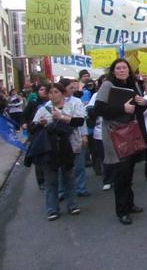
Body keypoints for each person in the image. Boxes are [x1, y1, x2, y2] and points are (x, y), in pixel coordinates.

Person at [94, 58, 147, 225]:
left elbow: (139, 108)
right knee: (121, 173)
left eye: (124, 67)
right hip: (116, 134)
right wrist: (122, 108)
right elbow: (99, 109)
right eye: (118, 68)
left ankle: (129, 204)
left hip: (132, 132)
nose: (122, 70)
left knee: (129, 170)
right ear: (113, 70)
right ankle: (122, 211)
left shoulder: (134, 84)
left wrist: (143, 102)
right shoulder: (107, 85)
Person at [30, 82, 85, 221]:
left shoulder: (72, 105)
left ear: (62, 93)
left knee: (69, 176)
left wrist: (62, 117)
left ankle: (72, 204)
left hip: (68, 146)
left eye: (56, 92)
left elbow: (79, 121)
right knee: (51, 180)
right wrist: (40, 124)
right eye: (50, 93)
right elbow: (32, 128)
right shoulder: (44, 109)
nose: (53, 95)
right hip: (49, 148)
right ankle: (52, 209)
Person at [87, 75, 116, 191]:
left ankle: (117, 177)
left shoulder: (116, 94)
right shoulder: (96, 95)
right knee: (105, 156)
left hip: (116, 129)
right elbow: (91, 110)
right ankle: (108, 179)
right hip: (101, 130)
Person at [23, 83, 50, 190]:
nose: (43, 91)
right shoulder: (33, 103)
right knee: (39, 156)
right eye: (41, 89)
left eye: (45, 89)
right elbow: (25, 115)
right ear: (37, 91)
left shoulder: (50, 103)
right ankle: (41, 180)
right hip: (37, 131)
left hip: (49, 131)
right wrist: (25, 123)